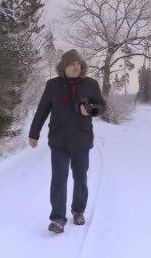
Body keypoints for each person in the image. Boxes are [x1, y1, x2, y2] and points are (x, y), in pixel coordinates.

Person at [28, 49, 107, 234]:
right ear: (64, 67)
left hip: (82, 139)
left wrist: (92, 110)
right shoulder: (53, 85)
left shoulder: (91, 84)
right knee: (58, 179)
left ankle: (78, 211)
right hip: (59, 140)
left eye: (79, 64)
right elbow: (42, 110)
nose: (76, 67)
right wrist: (34, 133)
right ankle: (57, 218)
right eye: (72, 64)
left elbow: (102, 105)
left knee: (80, 178)